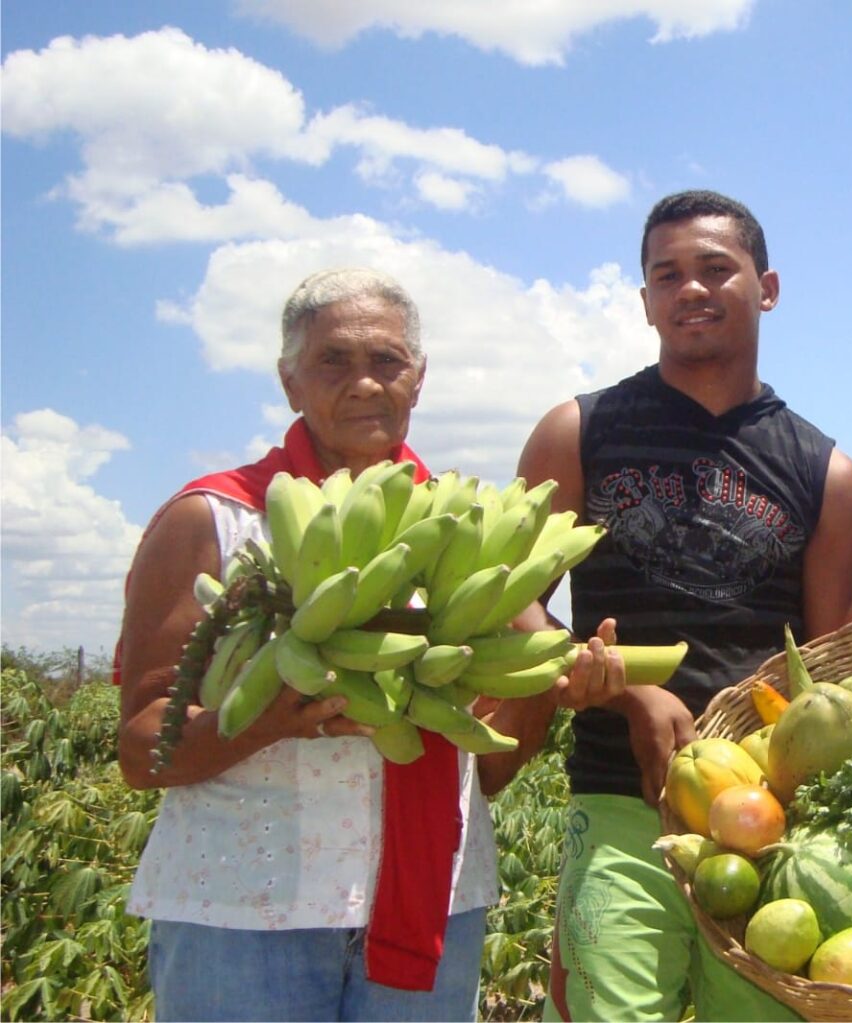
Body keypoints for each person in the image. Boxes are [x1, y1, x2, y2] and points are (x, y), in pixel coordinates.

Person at [116, 268, 622, 1022]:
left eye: (386, 362)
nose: (363, 383)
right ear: (289, 382)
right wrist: (270, 718)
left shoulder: (466, 534)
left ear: (418, 380)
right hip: (240, 917)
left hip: (431, 912)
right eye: (332, 362)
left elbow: (483, 773)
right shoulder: (215, 521)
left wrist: (549, 689)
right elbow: (140, 747)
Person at [514, 190, 852, 1022]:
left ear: (767, 287)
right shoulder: (577, 433)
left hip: (767, 820)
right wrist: (619, 686)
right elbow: (509, 607)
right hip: (617, 801)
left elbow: (830, 670)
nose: (691, 289)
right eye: (667, 274)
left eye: (717, 269)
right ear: (645, 302)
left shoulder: (828, 474)